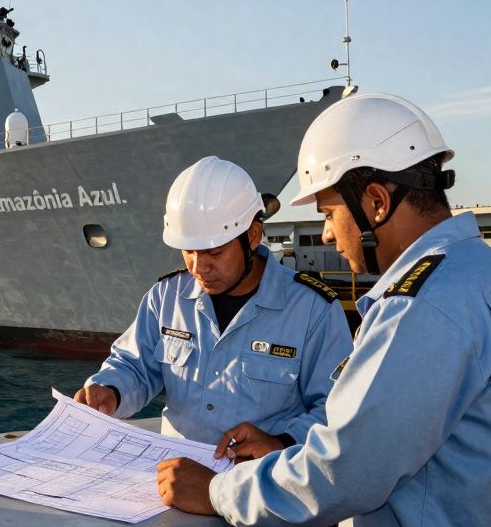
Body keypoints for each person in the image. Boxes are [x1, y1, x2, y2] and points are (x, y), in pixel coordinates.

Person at [157, 92, 491, 527]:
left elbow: (345, 473)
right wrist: (290, 449)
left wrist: (216, 491)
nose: (329, 236)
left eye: (329, 214)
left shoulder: (421, 308)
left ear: (376, 201)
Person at [76, 156, 352, 459]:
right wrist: (109, 390)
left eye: (214, 253)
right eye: (188, 251)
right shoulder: (166, 297)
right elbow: (134, 366)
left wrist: (282, 443)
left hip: (260, 487)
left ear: (252, 236)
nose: (198, 267)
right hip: (174, 483)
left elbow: (336, 409)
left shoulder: (313, 309)